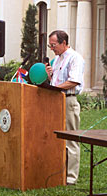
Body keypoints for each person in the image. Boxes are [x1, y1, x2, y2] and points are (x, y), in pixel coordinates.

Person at [45, 30, 84, 185]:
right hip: (55, 100)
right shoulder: (57, 59)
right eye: (50, 45)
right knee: (55, 136)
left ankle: (71, 177)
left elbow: (73, 81)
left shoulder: (75, 58)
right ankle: (57, 169)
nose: (52, 48)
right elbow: (56, 81)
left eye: (54, 45)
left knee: (71, 139)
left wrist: (56, 88)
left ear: (63, 43)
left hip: (68, 100)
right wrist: (50, 76)